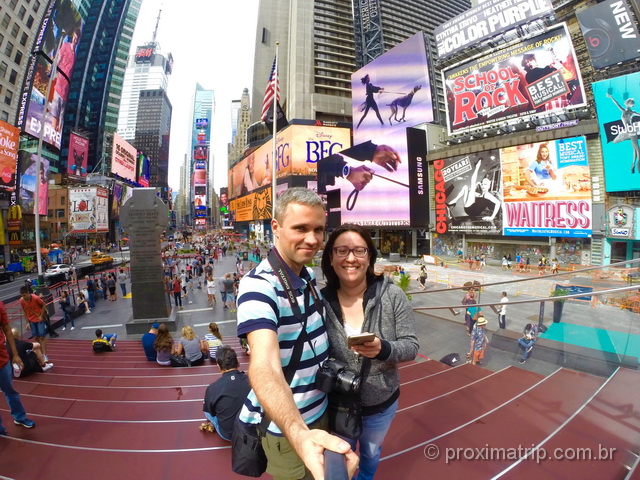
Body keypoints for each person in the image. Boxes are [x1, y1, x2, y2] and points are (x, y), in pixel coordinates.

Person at [236, 187, 358, 479]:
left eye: (318, 229)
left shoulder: (309, 276)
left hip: (321, 409)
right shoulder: (258, 287)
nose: (313, 239)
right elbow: (264, 365)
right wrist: (298, 434)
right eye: (300, 228)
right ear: (275, 228)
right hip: (286, 427)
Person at [320, 224, 419, 479]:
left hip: (381, 404)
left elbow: (411, 346)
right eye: (341, 250)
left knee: (371, 453)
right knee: (339, 458)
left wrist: (383, 349)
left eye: (359, 251)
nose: (350, 258)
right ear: (330, 257)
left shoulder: (392, 295)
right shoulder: (320, 301)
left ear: (370, 257)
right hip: (337, 404)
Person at [0, 300, 36, 434]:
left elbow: (7, 330)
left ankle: (20, 417)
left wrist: (15, 354)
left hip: (2, 360)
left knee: (10, 391)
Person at [201, 346, 251, 441]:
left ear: (219, 366)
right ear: (238, 362)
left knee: (207, 413)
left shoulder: (212, 388)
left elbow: (211, 411)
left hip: (228, 435)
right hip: (251, 431)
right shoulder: (252, 381)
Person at [606, 92, 640, 173]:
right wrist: (611, 97)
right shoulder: (625, 111)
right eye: (632, 103)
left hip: (631, 130)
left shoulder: (632, 112)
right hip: (630, 130)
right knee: (636, 149)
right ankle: (637, 165)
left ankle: (634, 165)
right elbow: (617, 104)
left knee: (635, 149)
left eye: (633, 104)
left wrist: (611, 97)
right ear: (628, 104)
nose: (633, 105)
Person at [19, 285, 49, 362]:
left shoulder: (35, 298)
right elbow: (24, 311)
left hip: (39, 319)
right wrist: (27, 322)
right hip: (31, 321)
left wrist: (41, 316)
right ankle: (39, 354)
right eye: (22, 295)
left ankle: (45, 355)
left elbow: (43, 304)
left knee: (42, 337)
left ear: (28, 293)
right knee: (36, 338)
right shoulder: (22, 300)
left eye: (25, 295)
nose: (24, 297)